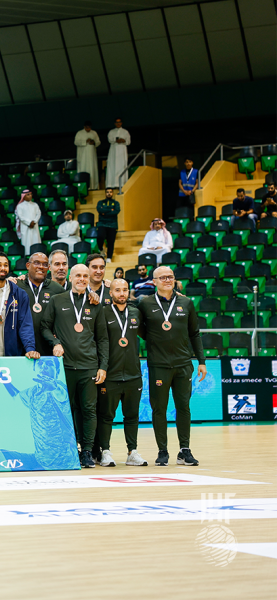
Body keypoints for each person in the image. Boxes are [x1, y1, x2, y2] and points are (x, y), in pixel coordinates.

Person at [137, 266, 206, 467]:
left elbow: (194, 333)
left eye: (171, 277)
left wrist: (201, 361)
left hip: (184, 364)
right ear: (154, 281)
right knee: (159, 409)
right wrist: (156, 340)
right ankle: (162, 451)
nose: (167, 280)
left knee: (183, 407)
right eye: (163, 277)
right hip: (158, 365)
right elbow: (139, 327)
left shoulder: (186, 302)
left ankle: (184, 450)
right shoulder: (146, 304)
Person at [40, 264, 108, 468]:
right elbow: (44, 326)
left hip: (89, 366)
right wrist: (55, 343)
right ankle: (69, 449)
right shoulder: (57, 300)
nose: (82, 279)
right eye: (78, 275)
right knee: (64, 409)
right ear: (70, 277)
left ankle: (87, 451)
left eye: (85, 276)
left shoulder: (95, 303)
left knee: (89, 410)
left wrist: (102, 366)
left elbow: (103, 338)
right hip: (64, 367)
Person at [98, 278, 148, 467]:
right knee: (106, 416)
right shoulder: (102, 312)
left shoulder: (136, 312)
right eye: (117, 290)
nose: (121, 293)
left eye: (125, 290)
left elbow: (148, 334)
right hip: (110, 373)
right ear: (110, 293)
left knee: (132, 415)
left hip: (134, 373)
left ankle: (132, 452)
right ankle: (105, 451)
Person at [0, 253, 38, 359]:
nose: (3, 268)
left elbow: (25, 324)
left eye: (6, 265)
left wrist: (30, 348)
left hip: (9, 356)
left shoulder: (19, 294)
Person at [16, 252, 67, 358]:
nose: (41, 267)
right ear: (28, 265)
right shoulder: (16, 286)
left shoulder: (57, 289)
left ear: (48, 268)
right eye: (37, 263)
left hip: (49, 351)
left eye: (44, 264)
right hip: (20, 350)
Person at [96, 188, 120, 263]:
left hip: (112, 224)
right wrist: (110, 210)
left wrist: (105, 212)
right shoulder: (100, 202)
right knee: (100, 237)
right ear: (105, 193)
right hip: (102, 223)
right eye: (107, 192)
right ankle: (101, 250)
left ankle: (109, 257)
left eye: (110, 192)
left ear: (112, 193)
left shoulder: (116, 203)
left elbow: (116, 211)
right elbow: (100, 210)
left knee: (111, 242)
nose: (109, 193)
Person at [74, 121, 100, 190]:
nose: (88, 129)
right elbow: (76, 142)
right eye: (87, 127)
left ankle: (93, 187)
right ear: (84, 127)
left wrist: (93, 142)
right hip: (83, 157)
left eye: (89, 127)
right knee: (83, 170)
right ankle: (83, 188)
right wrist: (85, 141)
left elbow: (98, 142)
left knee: (92, 170)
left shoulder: (94, 133)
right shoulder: (79, 133)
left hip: (92, 157)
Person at [106, 118, 131, 189]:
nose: (118, 123)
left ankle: (122, 183)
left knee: (122, 166)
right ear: (114, 123)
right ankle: (112, 184)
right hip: (113, 151)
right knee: (113, 166)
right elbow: (110, 140)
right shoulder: (111, 132)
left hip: (122, 151)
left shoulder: (125, 132)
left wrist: (123, 140)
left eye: (119, 122)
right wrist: (116, 140)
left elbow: (128, 142)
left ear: (121, 123)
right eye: (117, 122)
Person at [14, 189, 41, 255]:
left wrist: (34, 221)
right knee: (27, 242)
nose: (30, 196)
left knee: (35, 240)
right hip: (26, 227)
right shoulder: (20, 206)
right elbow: (20, 216)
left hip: (34, 226)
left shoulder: (35, 205)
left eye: (31, 194)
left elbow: (38, 213)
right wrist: (29, 223)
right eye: (28, 195)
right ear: (24, 196)